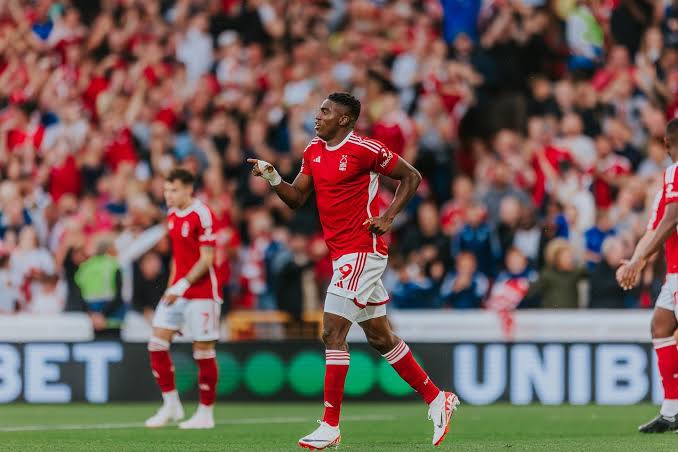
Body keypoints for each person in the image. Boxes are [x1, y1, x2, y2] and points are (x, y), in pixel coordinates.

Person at [248, 92, 458, 449]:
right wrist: (272, 177)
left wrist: (388, 217)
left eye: (325, 112)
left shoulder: (364, 149)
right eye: (319, 111)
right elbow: (297, 198)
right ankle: (437, 398)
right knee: (380, 337)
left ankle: (330, 425)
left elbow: (411, 176)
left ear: (344, 119)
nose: (318, 117)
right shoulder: (314, 149)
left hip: (362, 249)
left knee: (332, 331)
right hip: (341, 254)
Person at [145, 168, 221, 430]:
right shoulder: (171, 215)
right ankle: (171, 405)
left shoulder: (203, 214)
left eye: (174, 190)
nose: (168, 195)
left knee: (203, 351)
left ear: (189, 189)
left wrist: (183, 285)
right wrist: (171, 289)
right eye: (166, 190)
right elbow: (178, 259)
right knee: (156, 343)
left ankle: (206, 413)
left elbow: (207, 259)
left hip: (202, 294)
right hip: (178, 292)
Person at [617, 118, 678, 433]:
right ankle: (672, 411)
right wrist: (635, 262)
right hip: (673, 274)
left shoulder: (675, 172)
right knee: (661, 325)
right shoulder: (666, 184)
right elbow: (655, 229)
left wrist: (637, 261)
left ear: (666, 144)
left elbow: (671, 220)